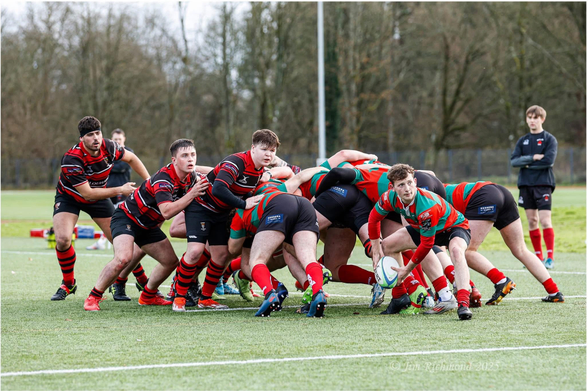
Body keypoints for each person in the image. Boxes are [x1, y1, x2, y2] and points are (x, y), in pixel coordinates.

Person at [83, 139, 208, 311]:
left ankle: (148, 295)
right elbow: (166, 212)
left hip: (147, 226)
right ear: (174, 160)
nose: (190, 159)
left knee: (170, 262)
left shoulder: (190, 176)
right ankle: (93, 296)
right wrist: (192, 194)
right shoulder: (164, 179)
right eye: (185, 155)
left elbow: (213, 173)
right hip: (127, 218)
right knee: (123, 258)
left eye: (193, 155)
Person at [171, 129, 279, 312]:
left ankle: (205, 298)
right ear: (253, 148)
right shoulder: (236, 162)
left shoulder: (260, 170)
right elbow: (219, 189)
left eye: (272, 150)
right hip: (201, 208)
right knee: (195, 251)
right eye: (264, 149)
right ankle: (178, 297)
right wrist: (243, 204)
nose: (269, 154)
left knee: (221, 255)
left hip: (221, 213)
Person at [50, 116, 150, 301]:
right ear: (81, 139)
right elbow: (87, 194)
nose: (96, 138)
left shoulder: (109, 147)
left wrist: (150, 181)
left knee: (122, 241)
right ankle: (68, 283)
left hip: (98, 196)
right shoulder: (72, 158)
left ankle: (142, 280)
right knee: (63, 239)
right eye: (90, 135)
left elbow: (132, 158)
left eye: (98, 133)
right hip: (70, 197)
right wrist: (120, 189)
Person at [368, 164, 474, 320]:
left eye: (409, 182)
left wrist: (407, 269)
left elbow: (426, 245)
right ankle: (400, 296)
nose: (407, 189)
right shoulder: (389, 197)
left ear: (415, 182)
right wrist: (376, 250)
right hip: (425, 229)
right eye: (401, 185)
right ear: (392, 187)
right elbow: (373, 218)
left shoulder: (426, 207)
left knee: (456, 251)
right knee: (388, 245)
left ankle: (463, 303)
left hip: (454, 227)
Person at [444, 181, 564, 303]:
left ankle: (501, 281)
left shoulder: (428, 200)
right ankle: (554, 292)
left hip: (483, 197)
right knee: (521, 249)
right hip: (501, 192)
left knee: (465, 250)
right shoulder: (432, 187)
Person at [228, 183, 326, 317]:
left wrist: (238, 235)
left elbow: (233, 249)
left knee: (257, 260)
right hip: (304, 204)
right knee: (308, 258)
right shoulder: (265, 190)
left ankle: (270, 294)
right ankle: (318, 294)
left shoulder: (239, 214)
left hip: (278, 206)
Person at [511, 105, 558, 269]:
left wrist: (527, 163)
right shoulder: (522, 140)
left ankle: (550, 258)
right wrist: (533, 157)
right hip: (525, 185)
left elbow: (548, 161)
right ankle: (538, 257)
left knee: (545, 221)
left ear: (542, 119)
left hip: (543, 184)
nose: (532, 120)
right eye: (529, 117)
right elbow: (514, 161)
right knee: (532, 221)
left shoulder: (549, 139)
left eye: (535, 118)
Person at [87, 129, 133, 250]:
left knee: (119, 218)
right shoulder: (107, 152)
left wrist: (106, 165)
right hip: (107, 189)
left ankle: (126, 242)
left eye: (119, 139)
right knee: (107, 218)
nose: (117, 141)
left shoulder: (128, 152)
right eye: (115, 139)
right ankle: (103, 241)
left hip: (123, 190)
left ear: (124, 139)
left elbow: (121, 167)